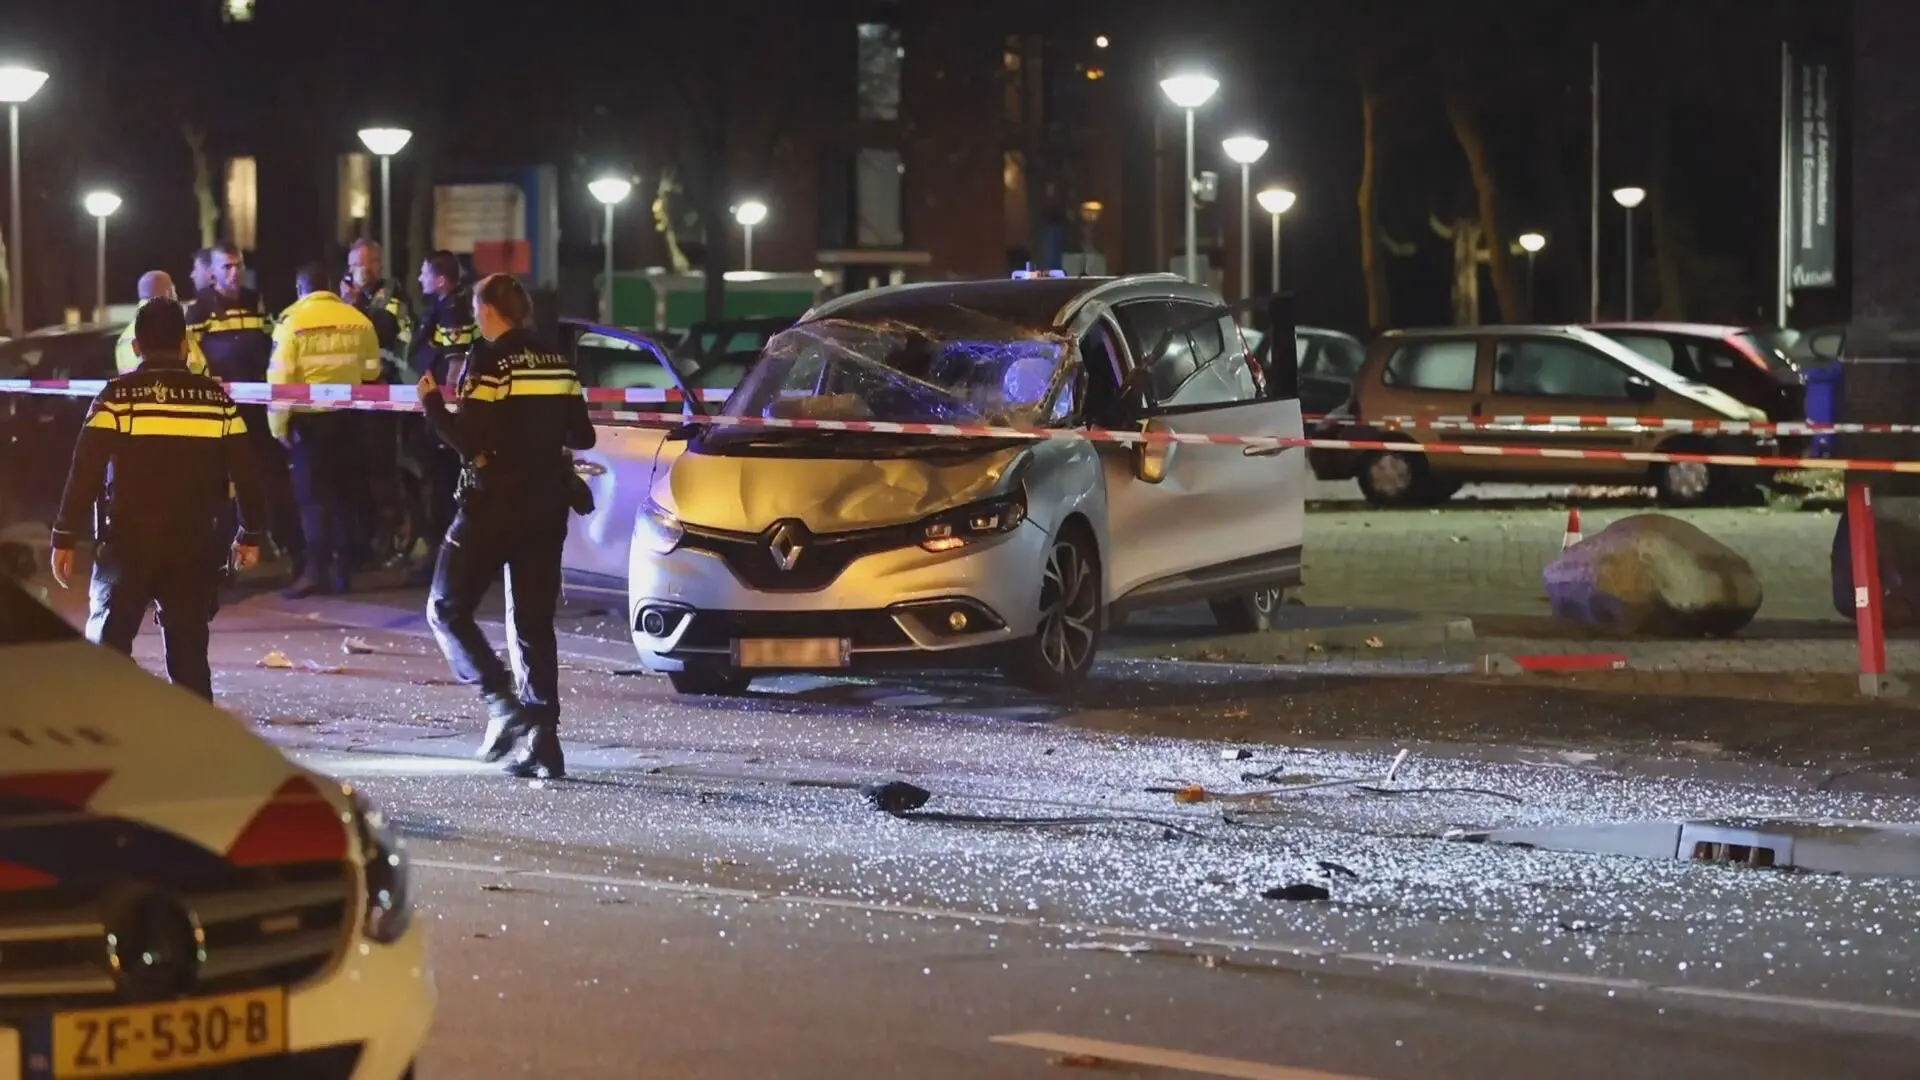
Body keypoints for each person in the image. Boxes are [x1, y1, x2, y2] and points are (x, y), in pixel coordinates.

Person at [419, 273, 593, 779]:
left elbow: (466, 437)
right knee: (533, 625)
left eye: (477, 309)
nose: (474, 318)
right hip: (547, 505)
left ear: (491, 309)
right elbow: (581, 433)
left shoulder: (489, 358)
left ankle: (501, 701)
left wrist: (431, 401)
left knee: (446, 608)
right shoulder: (559, 361)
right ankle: (545, 744)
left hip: (494, 502)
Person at [48, 300, 265, 701]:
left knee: (106, 655)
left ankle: (114, 741)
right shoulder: (216, 401)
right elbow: (246, 473)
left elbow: (86, 470)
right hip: (192, 548)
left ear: (135, 347)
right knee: (189, 663)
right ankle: (194, 747)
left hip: (127, 547)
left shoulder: (117, 397)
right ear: (185, 347)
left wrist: (64, 534)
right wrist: (249, 533)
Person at [188, 241, 303, 578]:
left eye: (238, 265)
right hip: (222, 415)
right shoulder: (198, 311)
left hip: (259, 414)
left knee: (275, 484)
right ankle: (220, 566)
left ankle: (297, 557)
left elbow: (272, 346)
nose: (235, 272)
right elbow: (193, 361)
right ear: (212, 272)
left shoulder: (256, 301)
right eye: (227, 266)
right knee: (221, 492)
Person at [269, 262, 381, 598]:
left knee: (313, 500)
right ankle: (345, 571)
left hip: (310, 425)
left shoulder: (291, 325)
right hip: (349, 420)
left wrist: (279, 427)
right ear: (331, 286)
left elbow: (280, 381)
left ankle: (315, 571)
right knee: (347, 495)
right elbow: (372, 372)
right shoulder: (358, 320)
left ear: (300, 290)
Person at [405, 251, 475, 586]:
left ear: (441, 280)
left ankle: (445, 560)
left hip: (444, 413)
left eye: (424, 273)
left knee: (442, 486)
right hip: (436, 408)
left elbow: (456, 364)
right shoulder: (447, 304)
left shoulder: (453, 310)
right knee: (437, 484)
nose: (420, 279)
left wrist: (447, 414)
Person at [343, 238, 414, 569]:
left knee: (383, 470)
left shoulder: (395, 295)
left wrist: (356, 307)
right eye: (359, 263)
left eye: (371, 262)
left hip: (388, 392)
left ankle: (392, 537)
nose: (365, 269)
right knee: (355, 471)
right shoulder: (341, 298)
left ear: (380, 266)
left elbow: (383, 329)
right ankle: (360, 542)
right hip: (351, 395)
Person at [116, 271, 208, 376]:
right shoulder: (174, 329)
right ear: (168, 292)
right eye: (174, 291)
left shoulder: (124, 337)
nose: (176, 295)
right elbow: (195, 370)